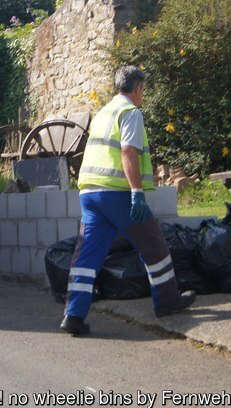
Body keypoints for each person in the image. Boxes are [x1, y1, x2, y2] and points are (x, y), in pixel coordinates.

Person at [61, 65, 195, 336]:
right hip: (118, 193)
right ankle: (168, 302)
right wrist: (137, 192)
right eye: (143, 90)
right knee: (153, 245)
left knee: (87, 255)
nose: (143, 95)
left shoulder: (103, 113)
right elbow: (128, 152)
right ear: (137, 89)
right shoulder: (130, 113)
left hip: (90, 193)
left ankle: (73, 315)